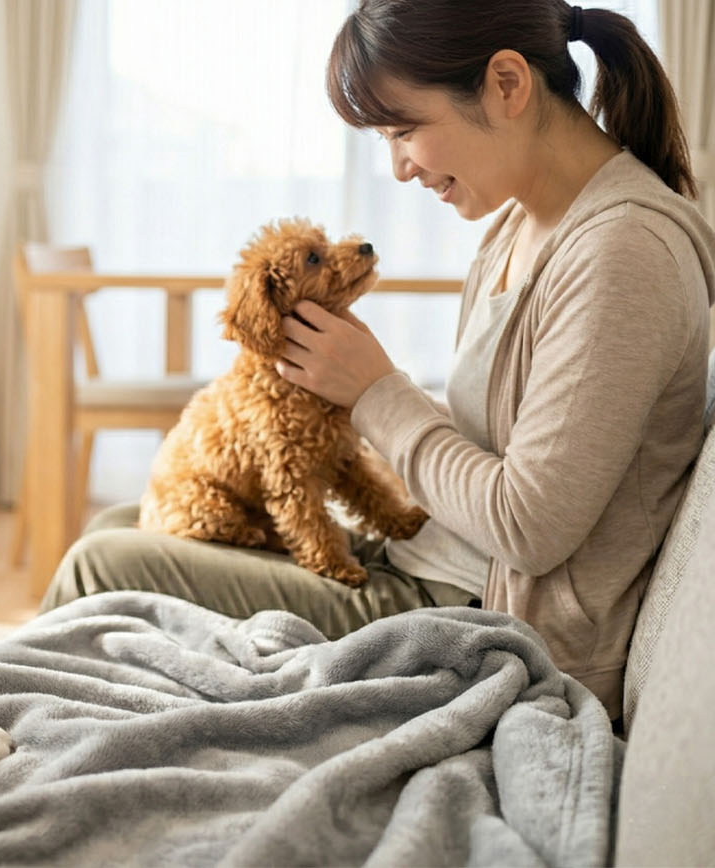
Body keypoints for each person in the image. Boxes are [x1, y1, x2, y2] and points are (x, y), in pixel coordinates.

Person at [39, 0, 715, 721]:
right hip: (433, 562)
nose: (398, 168)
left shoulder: (623, 254)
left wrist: (375, 393)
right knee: (120, 524)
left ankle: (23, 747)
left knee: (97, 563)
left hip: (483, 617)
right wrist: (362, 394)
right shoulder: (521, 224)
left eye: (404, 129)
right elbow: (490, 445)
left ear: (508, 84)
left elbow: (530, 527)